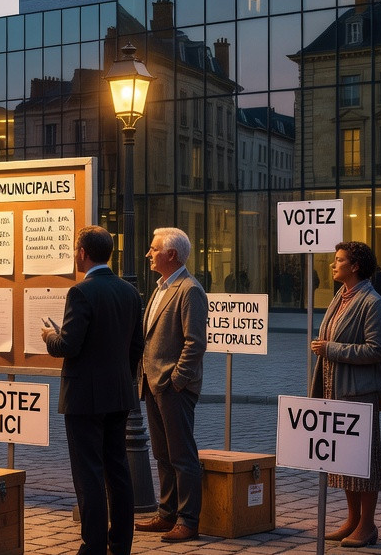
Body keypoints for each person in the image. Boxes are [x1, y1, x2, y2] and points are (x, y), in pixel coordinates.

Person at [41, 226, 144, 555]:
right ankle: (121, 545)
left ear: (83, 253)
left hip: (84, 398)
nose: (74, 254)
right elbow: (136, 346)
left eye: (75, 249)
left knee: (89, 475)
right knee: (118, 470)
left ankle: (94, 546)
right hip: (118, 395)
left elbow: (68, 345)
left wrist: (48, 337)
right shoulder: (130, 293)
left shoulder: (81, 292)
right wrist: (121, 379)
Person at [309, 240, 381, 548]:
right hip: (335, 390)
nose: (333, 264)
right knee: (343, 460)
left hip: (359, 393)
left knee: (364, 462)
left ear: (354, 266)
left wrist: (331, 349)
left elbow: (378, 349)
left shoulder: (371, 302)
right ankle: (352, 519)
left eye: (339, 260)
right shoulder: (341, 297)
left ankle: (367, 525)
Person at [136, 227, 207, 543]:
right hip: (153, 383)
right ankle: (167, 514)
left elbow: (195, 342)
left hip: (173, 386)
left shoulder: (189, 289)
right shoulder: (161, 287)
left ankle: (188, 520)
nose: (148, 254)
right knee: (163, 454)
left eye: (153, 249)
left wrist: (177, 380)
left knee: (182, 456)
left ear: (171, 254)